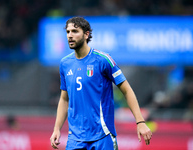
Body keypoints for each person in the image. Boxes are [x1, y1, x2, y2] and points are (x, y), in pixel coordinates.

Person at [50, 16, 152, 150]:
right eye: (68, 32)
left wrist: (140, 122)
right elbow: (64, 99)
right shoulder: (65, 64)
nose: (70, 35)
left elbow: (127, 90)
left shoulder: (103, 60)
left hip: (102, 137)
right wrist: (57, 129)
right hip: (75, 139)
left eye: (75, 31)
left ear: (86, 34)